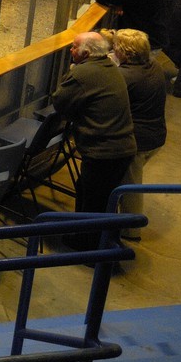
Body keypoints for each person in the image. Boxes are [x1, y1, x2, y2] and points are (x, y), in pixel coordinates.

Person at [53, 32, 137, 250]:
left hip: (103, 151)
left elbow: (60, 102)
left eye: (73, 47)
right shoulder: (110, 68)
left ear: (86, 53)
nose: (70, 51)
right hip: (123, 147)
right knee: (98, 196)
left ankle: (86, 245)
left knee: (93, 200)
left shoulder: (83, 73)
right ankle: (99, 238)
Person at [109, 29, 166, 242]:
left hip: (136, 142)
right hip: (156, 136)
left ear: (124, 52)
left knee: (131, 188)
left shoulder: (124, 76)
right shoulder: (155, 66)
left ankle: (131, 230)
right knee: (128, 182)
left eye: (115, 47)